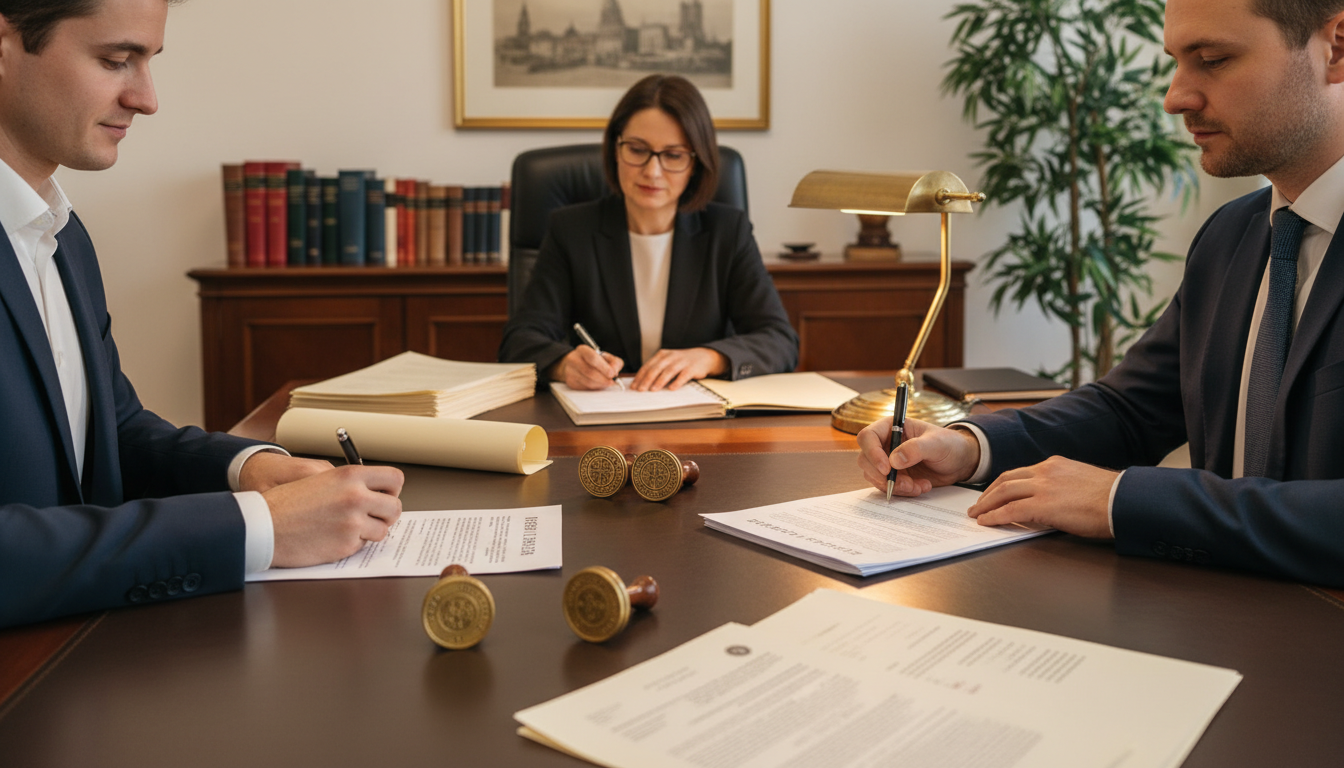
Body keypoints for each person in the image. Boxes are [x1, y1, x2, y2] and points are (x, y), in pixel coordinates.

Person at [859, 0, 1344, 588]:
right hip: (1223, 621)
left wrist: (1124, 498)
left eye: (1213, 60)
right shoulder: (1230, 236)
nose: (1175, 97)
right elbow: (1131, 409)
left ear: (1336, 47)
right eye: (1176, 62)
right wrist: (970, 447)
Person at [0, 0, 404, 629]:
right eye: (115, 60)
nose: (147, 98)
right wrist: (258, 527)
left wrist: (252, 470)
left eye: (149, 62)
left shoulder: (62, 235)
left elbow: (116, 432)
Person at [499, 74, 798, 392]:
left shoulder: (728, 231)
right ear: (616, 149)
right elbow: (519, 342)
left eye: (673, 155)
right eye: (638, 149)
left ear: (696, 163)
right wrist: (563, 364)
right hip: (603, 417)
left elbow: (779, 340)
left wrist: (710, 358)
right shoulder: (571, 231)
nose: (652, 171)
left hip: (699, 423)